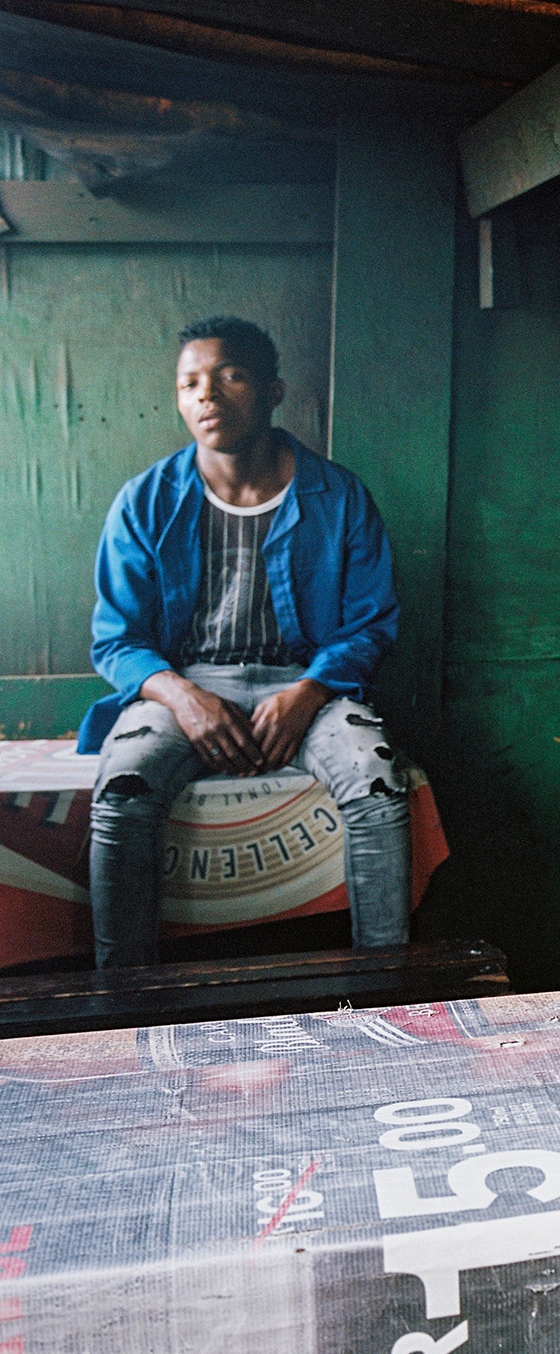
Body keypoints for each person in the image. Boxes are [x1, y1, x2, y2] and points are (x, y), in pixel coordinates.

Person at [78, 317, 411, 967]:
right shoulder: (146, 501)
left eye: (229, 375)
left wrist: (309, 692)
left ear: (272, 389)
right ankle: (120, 1002)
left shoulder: (337, 496)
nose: (207, 396)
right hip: (185, 688)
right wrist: (183, 696)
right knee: (121, 794)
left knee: (379, 782)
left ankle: (388, 986)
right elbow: (116, 638)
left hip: (310, 682)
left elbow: (371, 621)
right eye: (189, 383)